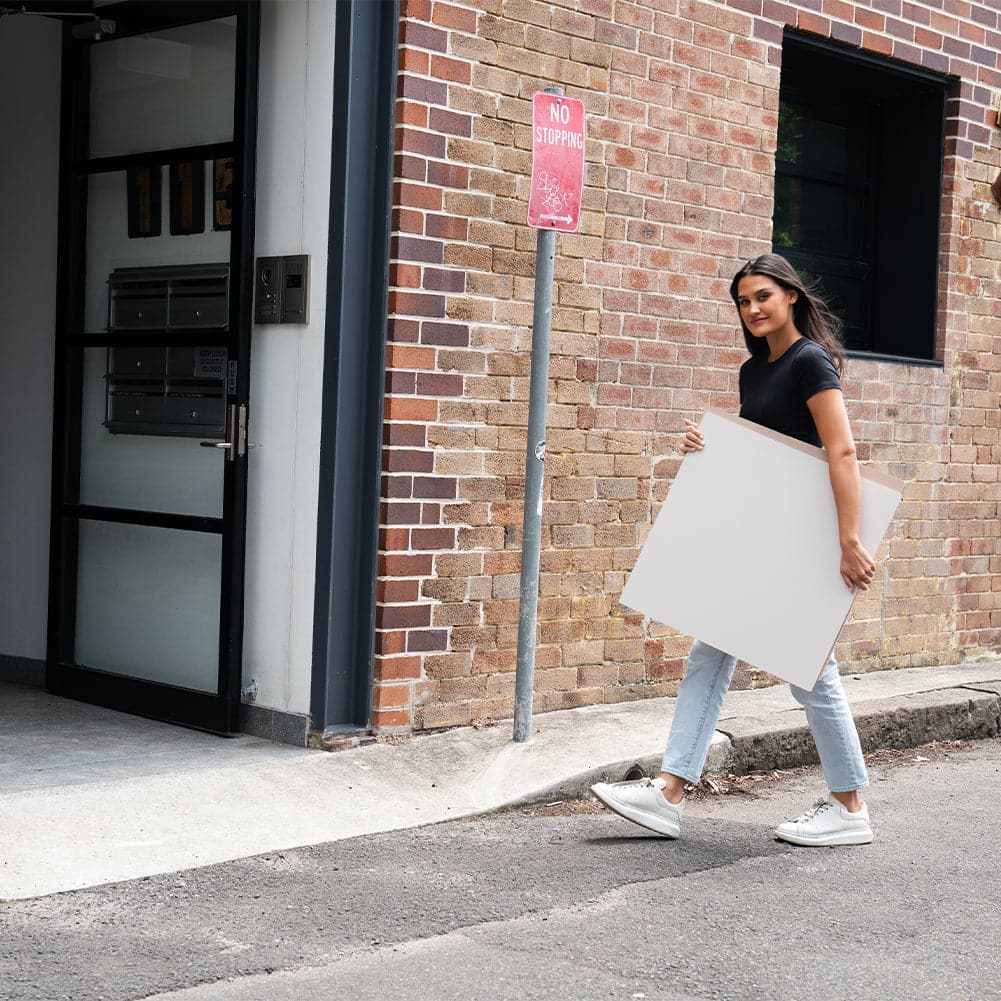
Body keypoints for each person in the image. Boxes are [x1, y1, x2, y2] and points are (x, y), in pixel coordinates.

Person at [591, 253, 876, 848]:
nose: (753, 310)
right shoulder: (755, 370)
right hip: (759, 539)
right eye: (744, 301)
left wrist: (849, 542)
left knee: (810, 672)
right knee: (710, 654)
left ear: (791, 296)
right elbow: (758, 457)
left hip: (799, 542)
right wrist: (708, 444)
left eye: (764, 297)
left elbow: (842, 452)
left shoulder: (810, 363)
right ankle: (669, 793)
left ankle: (849, 808)